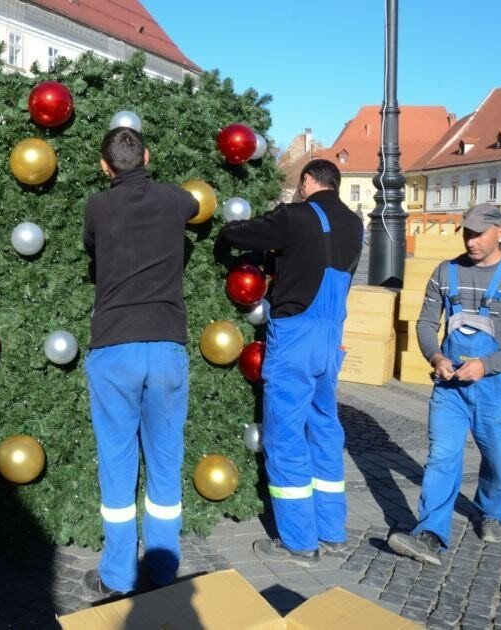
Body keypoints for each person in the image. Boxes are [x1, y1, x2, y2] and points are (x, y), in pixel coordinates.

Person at [216, 158, 363, 567]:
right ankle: (332, 530)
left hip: (296, 338)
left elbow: (247, 232)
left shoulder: (296, 215)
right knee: (325, 429)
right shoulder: (355, 224)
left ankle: (298, 541)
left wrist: (227, 231)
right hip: (331, 338)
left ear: (306, 181)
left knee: (285, 437)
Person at [388, 203, 501, 566]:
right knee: (442, 457)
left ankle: (491, 511)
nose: (471, 241)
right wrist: (436, 357)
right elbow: (426, 324)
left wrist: (486, 364)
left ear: (500, 231)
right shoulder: (446, 272)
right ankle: (429, 533)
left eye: (479, 233)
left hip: (498, 387)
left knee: (499, 461)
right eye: (467, 233)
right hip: (450, 389)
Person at [81, 127, 199, 596]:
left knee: (117, 460)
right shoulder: (174, 200)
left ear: (104, 167)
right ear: (148, 155)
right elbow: (193, 205)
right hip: (167, 344)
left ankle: (117, 574)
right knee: (166, 459)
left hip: (114, 346)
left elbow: (92, 248)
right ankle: (164, 569)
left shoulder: (97, 206)